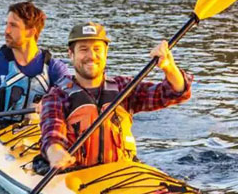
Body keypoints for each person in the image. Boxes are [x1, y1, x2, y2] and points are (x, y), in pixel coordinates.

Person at [40, 21, 191, 170]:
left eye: (97, 49)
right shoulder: (57, 95)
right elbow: (52, 131)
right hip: (76, 178)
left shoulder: (123, 88)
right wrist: (55, 152)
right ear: (71, 54)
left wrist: (170, 68)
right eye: (83, 49)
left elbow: (173, 93)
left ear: (106, 53)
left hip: (120, 175)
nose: (91, 56)